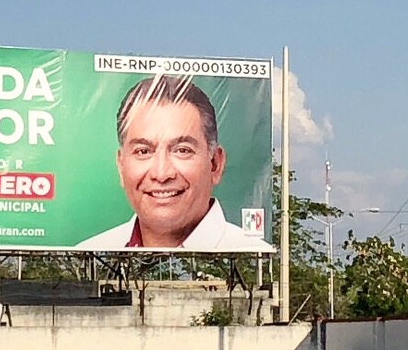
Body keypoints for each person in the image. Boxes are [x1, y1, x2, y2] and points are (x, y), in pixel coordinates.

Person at [75, 72, 268, 252]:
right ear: (121, 166)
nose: (161, 174)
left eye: (182, 150)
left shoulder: (256, 257)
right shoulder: (88, 255)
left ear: (215, 164)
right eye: (143, 151)